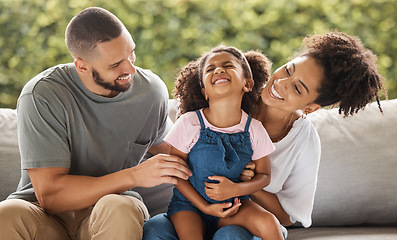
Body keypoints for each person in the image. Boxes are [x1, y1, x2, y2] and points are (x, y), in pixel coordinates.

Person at [143, 31, 386, 239]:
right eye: (288, 70)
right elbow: (176, 155)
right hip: (193, 208)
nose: (281, 84)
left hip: (241, 219)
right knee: (155, 229)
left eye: (298, 87)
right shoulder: (229, 95)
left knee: (231, 235)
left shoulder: (300, 140)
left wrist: (246, 184)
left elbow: (286, 218)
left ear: (311, 107)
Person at [0, 7, 192, 240]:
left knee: (119, 208)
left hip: (109, 210)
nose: (130, 69)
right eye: (115, 64)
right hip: (43, 216)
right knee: (6, 214)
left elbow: (175, 151)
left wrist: (240, 163)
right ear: (81, 66)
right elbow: (51, 197)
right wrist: (133, 176)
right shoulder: (42, 95)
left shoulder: (150, 91)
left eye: (131, 54)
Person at [163, 45, 284, 240]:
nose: (218, 70)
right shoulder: (189, 122)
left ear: (247, 84)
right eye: (210, 69)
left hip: (234, 204)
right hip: (190, 206)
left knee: (269, 222)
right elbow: (175, 173)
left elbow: (264, 176)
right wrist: (205, 207)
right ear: (205, 92)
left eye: (228, 66)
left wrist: (236, 189)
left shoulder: (254, 129)